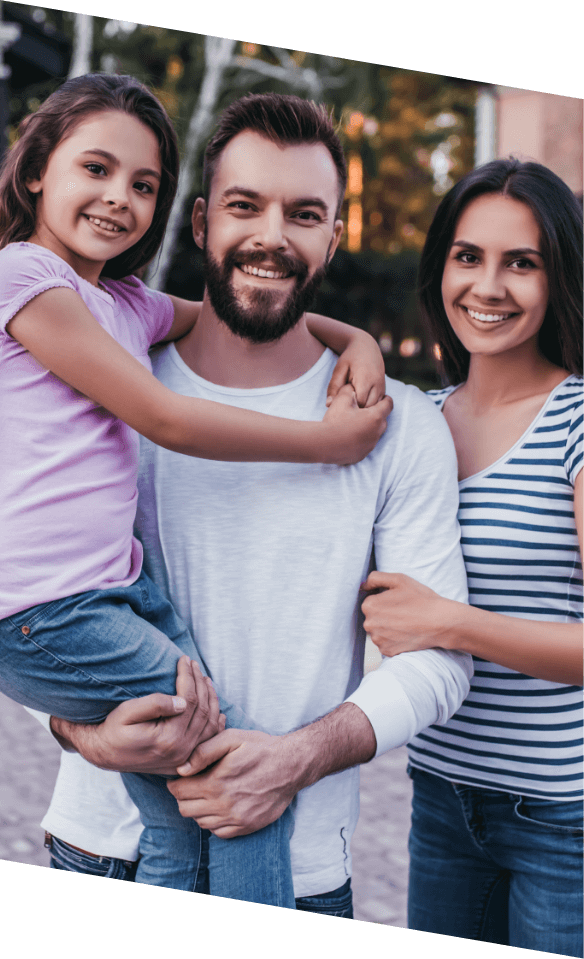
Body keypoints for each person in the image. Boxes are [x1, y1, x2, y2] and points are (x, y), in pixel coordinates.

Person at [32, 91, 473, 917]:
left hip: (297, 874)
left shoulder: (398, 422)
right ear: (200, 221)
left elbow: (441, 661)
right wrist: (79, 732)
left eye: (304, 213)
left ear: (334, 237)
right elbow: (33, 604)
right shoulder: (109, 385)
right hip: (100, 848)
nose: (272, 236)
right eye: (245, 206)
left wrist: (296, 757)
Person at [361, 159, 583, 954]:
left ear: (559, 278)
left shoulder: (575, 420)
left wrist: (448, 623)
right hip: (441, 796)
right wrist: (348, 337)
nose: (487, 285)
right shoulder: (412, 420)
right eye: (468, 256)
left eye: (521, 262)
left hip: (562, 817)